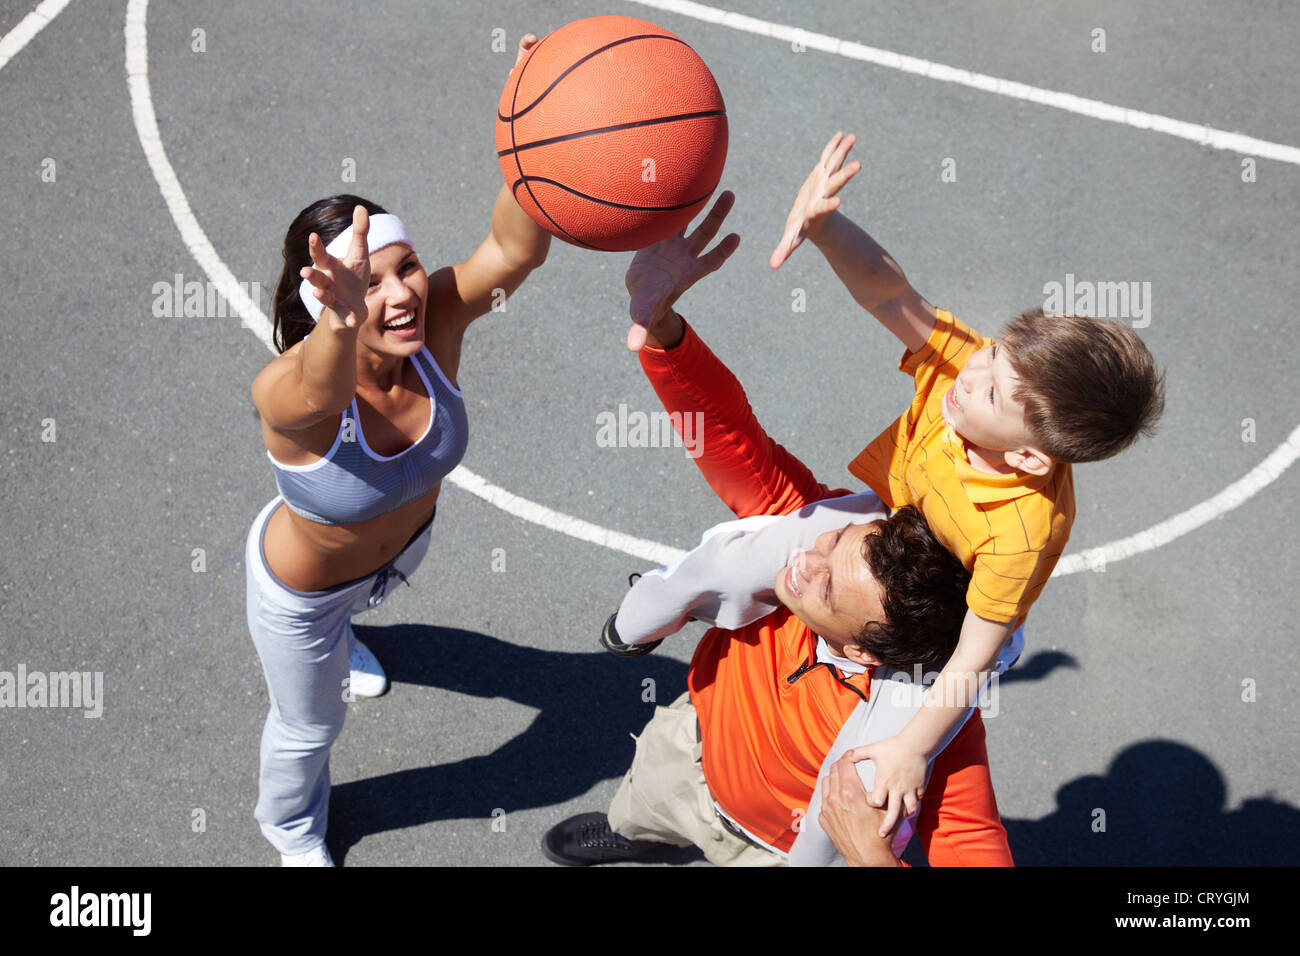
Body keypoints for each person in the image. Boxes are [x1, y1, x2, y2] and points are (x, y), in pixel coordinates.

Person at [607, 132, 1166, 837]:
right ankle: (643, 619)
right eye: (992, 352)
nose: (968, 374)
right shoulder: (971, 379)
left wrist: (911, 748)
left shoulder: (1021, 534)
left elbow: (972, 655)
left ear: (1029, 461)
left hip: (962, 618)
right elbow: (891, 293)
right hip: (893, 514)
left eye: (992, 392)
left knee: (869, 795)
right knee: (735, 554)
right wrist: (826, 228)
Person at [542, 193, 1013, 867]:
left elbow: (977, 850)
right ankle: (637, 834)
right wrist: (662, 325)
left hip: (770, 849)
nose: (804, 564)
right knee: (639, 804)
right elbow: (732, 440)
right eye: (833, 543)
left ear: (871, 651)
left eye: (823, 591)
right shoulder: (811, 547)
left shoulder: (930, 741)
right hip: (691, 751)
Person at [245, 36, 551, 866]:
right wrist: (341, 321)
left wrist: (532, 122)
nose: (401, 293)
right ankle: (291, 829)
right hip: (303, 593)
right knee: (311, 724)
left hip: (388, 565)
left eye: (406, 267)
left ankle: (352, 633)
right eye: (367, 284)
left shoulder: (436, 326)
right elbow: (313, 391)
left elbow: (517, 248)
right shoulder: (288, 394)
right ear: (326, 302)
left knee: (376, 634)